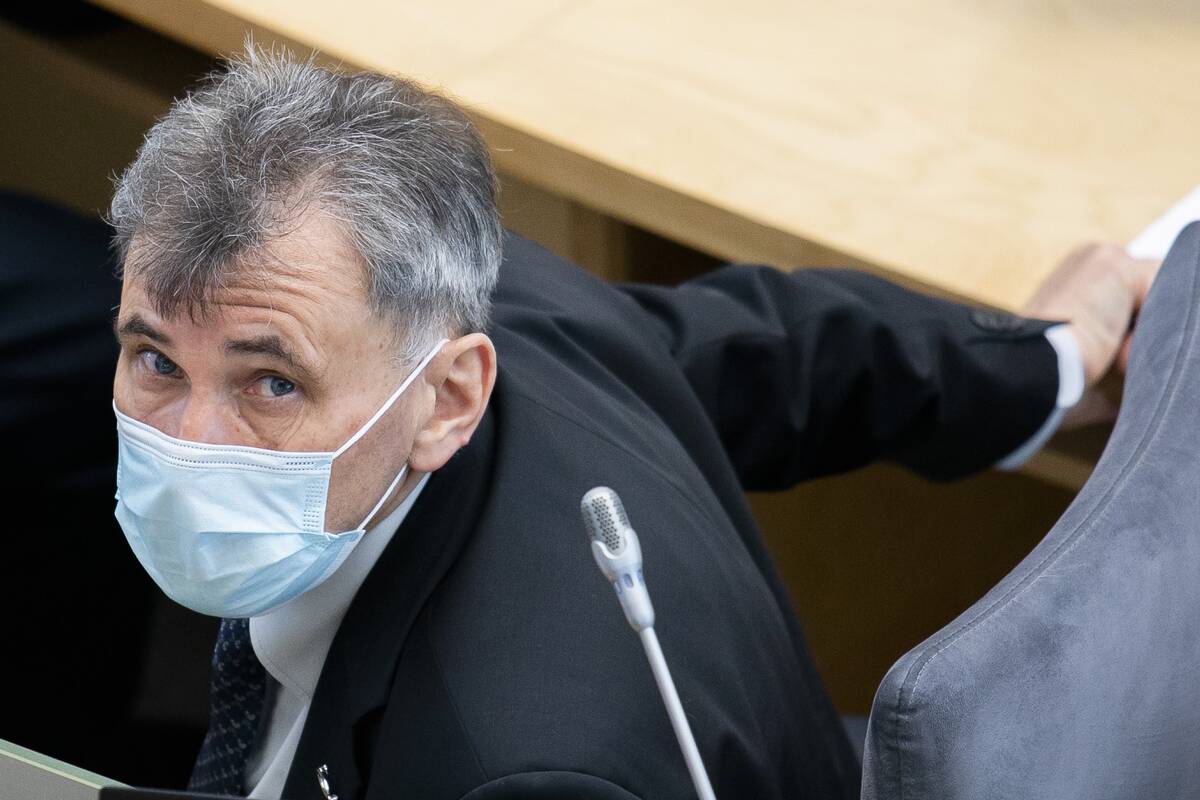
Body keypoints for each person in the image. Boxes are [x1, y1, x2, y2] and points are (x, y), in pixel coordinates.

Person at [94, 47, 1156, 800]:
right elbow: (758, 350)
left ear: (449, 396)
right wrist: (1044, 360)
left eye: (271, 384)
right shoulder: (468, 301)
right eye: (155, 360)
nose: (191, 442)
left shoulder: (520, 771)